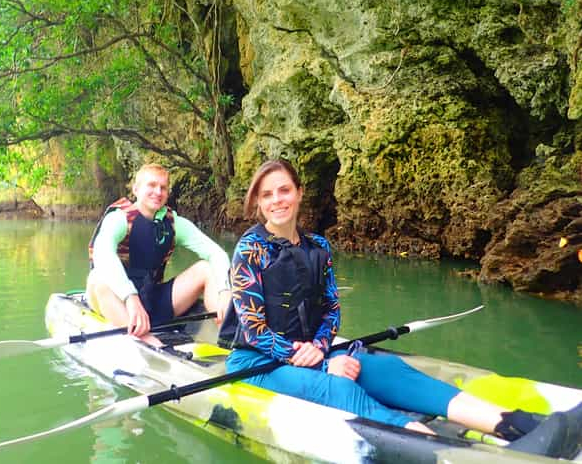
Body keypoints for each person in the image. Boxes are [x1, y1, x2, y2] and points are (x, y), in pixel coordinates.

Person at [218, 159, 541, 439]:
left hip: (312, 350)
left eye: (284, 190)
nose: (277, 200)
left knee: (389, 369)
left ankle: (512, 423)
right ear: (258, 203)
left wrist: (319, 348)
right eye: (267, 194)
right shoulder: (250, 250)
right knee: (340, 387)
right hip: (258, 362)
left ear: (300, 193)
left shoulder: (318, 246)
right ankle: (440, 447)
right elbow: (253, 330)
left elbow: (331, 310)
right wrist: (323, 361)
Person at [87, 163, 231, 345]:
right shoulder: (118, 219)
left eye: (163, 187)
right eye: (152, 185)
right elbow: (103, 254)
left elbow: (217, 254)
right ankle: (149, 342)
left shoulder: (174, 224)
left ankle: (227, 335)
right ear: (136, 189)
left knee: (205, 269)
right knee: (98, 278)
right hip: (117, 299)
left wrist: (225, 291)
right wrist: (130, 297)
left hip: (150, 297)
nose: (158, 191)